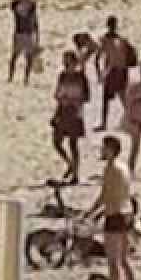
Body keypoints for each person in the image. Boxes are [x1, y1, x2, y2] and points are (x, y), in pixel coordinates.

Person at [87, 136, 139, 280]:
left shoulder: (110, 169)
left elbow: (105, 195)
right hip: (126, 215)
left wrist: (91, 211)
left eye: (104, 148)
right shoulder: (124, 167)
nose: (102, 151)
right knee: (124, 260)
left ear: (110, 150)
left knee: (113, 261)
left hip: (114, 217)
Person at [51, 50, 90, 184]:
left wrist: (73, 101)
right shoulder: (62, 76)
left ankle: (75, 173)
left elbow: (86, 97)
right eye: (65, 62)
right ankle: (70, 164)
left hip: (75, 112)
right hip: (63, 110)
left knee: (73, 144)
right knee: (57, 142)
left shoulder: (81, 77)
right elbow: (57, 94)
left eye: (69, 62)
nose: (66, 65)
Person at [8, 0, 41, 85]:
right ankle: (11, 77)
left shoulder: (31, 5)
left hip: (27, 32)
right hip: (19, 32)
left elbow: (34, 19)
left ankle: (26, 78)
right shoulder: (16, 4)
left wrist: (37, 33)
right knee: (15, 56)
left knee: (28, 58)